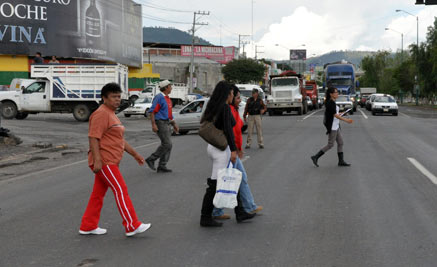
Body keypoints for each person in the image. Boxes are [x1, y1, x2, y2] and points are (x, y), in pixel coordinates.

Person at [79, 83, 151, 237]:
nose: (117, 100)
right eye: (113, 97)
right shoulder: (101, 114)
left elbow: (119, 140)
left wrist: (135, 154)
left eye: (119, 96)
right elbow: (93, 137)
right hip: (105, 162)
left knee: (97, 194)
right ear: (104, 98)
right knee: (120, 190)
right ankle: (132, 225)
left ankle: (88, 225)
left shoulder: (111, 114)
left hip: (111, 160)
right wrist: (97, 160)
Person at [200, 81, 256, 227]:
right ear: (227, 94)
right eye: (231, 93)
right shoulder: (224, 108)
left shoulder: (214, 106)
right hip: (221, 150)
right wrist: (233, 150)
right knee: (214, 184)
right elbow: (229, 131)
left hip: (213, 147)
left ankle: (240, 212)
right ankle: (205, 217)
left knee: (233, 178)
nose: (233, 96)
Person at [212, 85, 263, 220]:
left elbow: (237, 130)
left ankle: (248, 206)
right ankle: (221, 210)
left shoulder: (233, 109)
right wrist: (236, 149)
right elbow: (232, 132)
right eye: (238, 97)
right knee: (230, 180)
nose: (240, 100)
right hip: (229, 149)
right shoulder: (227, 109)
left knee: (239, 178)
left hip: (232, 149)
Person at [311, 87, 353, 167]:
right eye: (336, 92)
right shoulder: (330, 103)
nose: (337, 94)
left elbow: (335, 113)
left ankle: (341, 161)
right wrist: (346, 120)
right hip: (333, 127)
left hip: (336, 126)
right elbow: (335, 115)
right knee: (330, 145)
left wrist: (343, 113)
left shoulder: (333, 102)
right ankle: (315, 157)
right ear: (331, 94)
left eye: (337, 92)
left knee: (340, 143)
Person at [145, 80, 179, 173]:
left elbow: (169, 114)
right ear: (166, 87)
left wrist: (174, 124)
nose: (171, 88)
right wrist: (153, 125)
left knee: (168, 145)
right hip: (160, 122)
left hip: (167, 122)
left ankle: (162, 165)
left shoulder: (168, 98)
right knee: (167, 144)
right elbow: (152, 111)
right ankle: (151, 159)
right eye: (170, 86)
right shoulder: (159, 97)